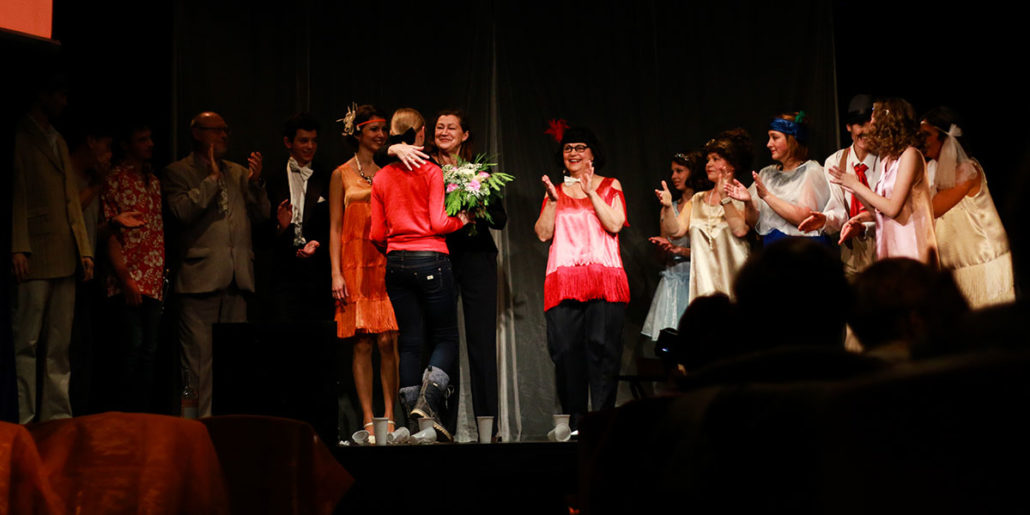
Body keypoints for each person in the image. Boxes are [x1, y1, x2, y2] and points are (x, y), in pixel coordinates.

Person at [370, 107, 469, 441]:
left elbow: (375, 234)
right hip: (431, 258)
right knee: (446, 338)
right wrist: (462, 220)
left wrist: (396, 248)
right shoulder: (430, 171)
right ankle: (428, 402)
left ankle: (415, 427)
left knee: (410, 343)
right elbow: (440, 222)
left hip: (396, 262)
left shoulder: (381, 176)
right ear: (422, 132)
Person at [162, 111, 270, 417]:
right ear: (197, 133)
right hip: (200, 280)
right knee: (196, 366)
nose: (224, 136)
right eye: (216, 130)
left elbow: (262, 215)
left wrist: (257, 183)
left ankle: (227, 427)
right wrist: (210, 180)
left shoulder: (237, 172)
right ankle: (193, 425)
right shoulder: (177, 172)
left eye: (226, 130)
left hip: (237, 279)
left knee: (234, 361)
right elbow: (182, 212)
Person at [11, 74, 94, 423]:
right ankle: (25, 417)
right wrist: (18, 246)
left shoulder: (57, 139)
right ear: (42, 95)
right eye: (59, 94)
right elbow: (17, 194)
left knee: (59, 343)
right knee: (27, 341)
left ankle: (56, 417)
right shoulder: (20, 137)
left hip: (64, 250)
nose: (64, 102)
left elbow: (72, 200)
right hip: (35, 249)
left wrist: (84, 249)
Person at [534, 127, 628, 429]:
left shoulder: (611, 185)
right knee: (565, 352)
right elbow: (543, 234)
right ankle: (575, 423)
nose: (573, 153)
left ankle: (601, 423)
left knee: (603, 352)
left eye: (579, 147)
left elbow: (615, 224)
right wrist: (552, 202)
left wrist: (591, 193)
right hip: (565, 281)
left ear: (592, 153)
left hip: (603, 279)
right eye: (568, 148)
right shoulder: (555, 191)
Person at [429, 109, 506, 429]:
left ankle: (488, 426)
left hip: (477, 258)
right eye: (439, 127)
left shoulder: (479, 172)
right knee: (441, 341)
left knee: (482, 342)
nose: (444, 132)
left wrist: (478, 205)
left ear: (465, 135)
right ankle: (441, 426)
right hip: (439, 257)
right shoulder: (425, 167)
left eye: (451, 127)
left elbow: (500, 220)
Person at [329, 104, 399, 435]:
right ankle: (369, 419)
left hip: (384, 262)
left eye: (384, 130)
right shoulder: (341, 174)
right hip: (354, 263)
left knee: (388, 339)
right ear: (358, 133)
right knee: (362, 343)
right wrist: (336, 273)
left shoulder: (388, 172)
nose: (381, 135)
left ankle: (391, 415)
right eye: (374, 129)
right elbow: (334, 228)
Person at [921, 107, 1014, 308]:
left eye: (926, 134)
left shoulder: (967, 171)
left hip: (981, 263)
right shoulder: (929, 168)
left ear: (945, 137)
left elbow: (932, 209)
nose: (921, 140)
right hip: (953, 267)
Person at [828, 99, 938, 265]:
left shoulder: (910, 155)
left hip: (910, 246)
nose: (871, 125)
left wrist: (857, 185)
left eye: (874, 119)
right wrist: (854, 188)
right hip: (890, 245)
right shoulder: (887, 160)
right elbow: (878, 212)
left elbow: (893, 209)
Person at [102, 123, 164, 412]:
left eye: (150, 138)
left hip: (153, 277)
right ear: (126, 145)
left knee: (149, 352)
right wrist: (125, 278)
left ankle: (143, 416)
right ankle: (124, 415)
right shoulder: (115, 179)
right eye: (142, 139)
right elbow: (110, 233)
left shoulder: (153, 181)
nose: (149, 144)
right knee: (131, 349)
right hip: (127, 278)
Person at [658, 129, 752, 302]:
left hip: (733, 285)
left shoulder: (743, 197)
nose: (708, 164)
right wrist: (668, 207)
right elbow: (675, 231)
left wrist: (725, 198)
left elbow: (739, 230)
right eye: (708, 160)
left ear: (732, 165)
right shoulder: (698, 199)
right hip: (704, 287)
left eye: (715, 159)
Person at [801, 94, 881, 278]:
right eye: (860, 124)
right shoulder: (836, 161)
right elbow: (838, 211)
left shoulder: (886, 159)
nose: (866, 130)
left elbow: (889, 209)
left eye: (870, 123)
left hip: (884, 246)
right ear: (849, 127)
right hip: (852, 252)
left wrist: (864, 225)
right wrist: (825, 220)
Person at [725, 112, 832, 247]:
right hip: (774, 248)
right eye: (769, 138)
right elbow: (753, 222)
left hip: (804, 248)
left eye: (775, 137)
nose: (769, 144)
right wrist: (748, 203)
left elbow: (804, 218)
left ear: (792, 140)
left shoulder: (811, 171)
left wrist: (767, 196)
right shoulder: (767, 174)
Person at [266, 113, 332, 321]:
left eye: (314, 141)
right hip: (283, 269)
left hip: (317, 271)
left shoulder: (327, 176)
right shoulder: (272, 177)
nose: (310, 146)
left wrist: (317, 243)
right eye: (304, 141)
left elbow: (334, 223)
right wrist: (280, 227)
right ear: (288, 142)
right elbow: (259, 229)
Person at [642, 151, 709, 341]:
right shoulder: (669, 207)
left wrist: (682, 251)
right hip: (672, 282)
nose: (674, 176)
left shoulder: (706, 204)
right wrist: (662, 248)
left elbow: (712, 251)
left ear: (693, 172)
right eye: (672, 171)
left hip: (697, 281)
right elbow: (662, 257)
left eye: (679, 171)